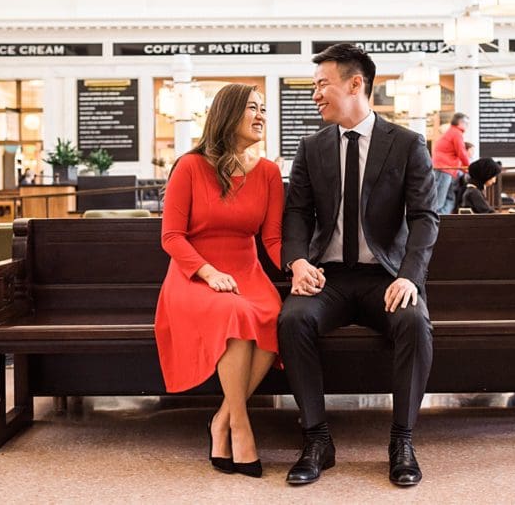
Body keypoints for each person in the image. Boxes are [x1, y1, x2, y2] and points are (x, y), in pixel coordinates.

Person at [279, 43, 439, 488]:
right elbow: (296, 212)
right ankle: (316, 439)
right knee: (292, 319)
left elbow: (425, 217)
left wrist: (410, 275)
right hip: (328, 277)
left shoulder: (406, 144)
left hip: (384, 277)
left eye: (321, 84)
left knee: (414, 322)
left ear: (355, 84)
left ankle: (402, 441)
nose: (315, 95)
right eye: (314, 86)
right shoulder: (312, 147)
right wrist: (296, 263)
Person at [153, 83, 283, 479]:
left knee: (276, 315)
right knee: (235, 315)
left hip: (247, 272)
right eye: (251, 108)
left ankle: (222, 420)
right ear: (227, 114)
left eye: (263, 108)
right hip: (195, 276)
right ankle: (242, 428)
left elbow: (272, 239)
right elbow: (171, 236)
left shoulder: (269, 172)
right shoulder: (189, 167)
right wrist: (208, 273)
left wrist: (298, 268)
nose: (261, 115)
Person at [431, 113, 470, 214]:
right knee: (439, 201)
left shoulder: (450, 132)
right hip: (444, 169)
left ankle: (443, 223)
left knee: (450, 198)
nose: (467, 126)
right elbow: (461, 152)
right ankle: (436, 224)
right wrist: (469, 167)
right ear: (460, 122)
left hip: (446, 169)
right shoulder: (456, 133)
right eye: (467, 123)